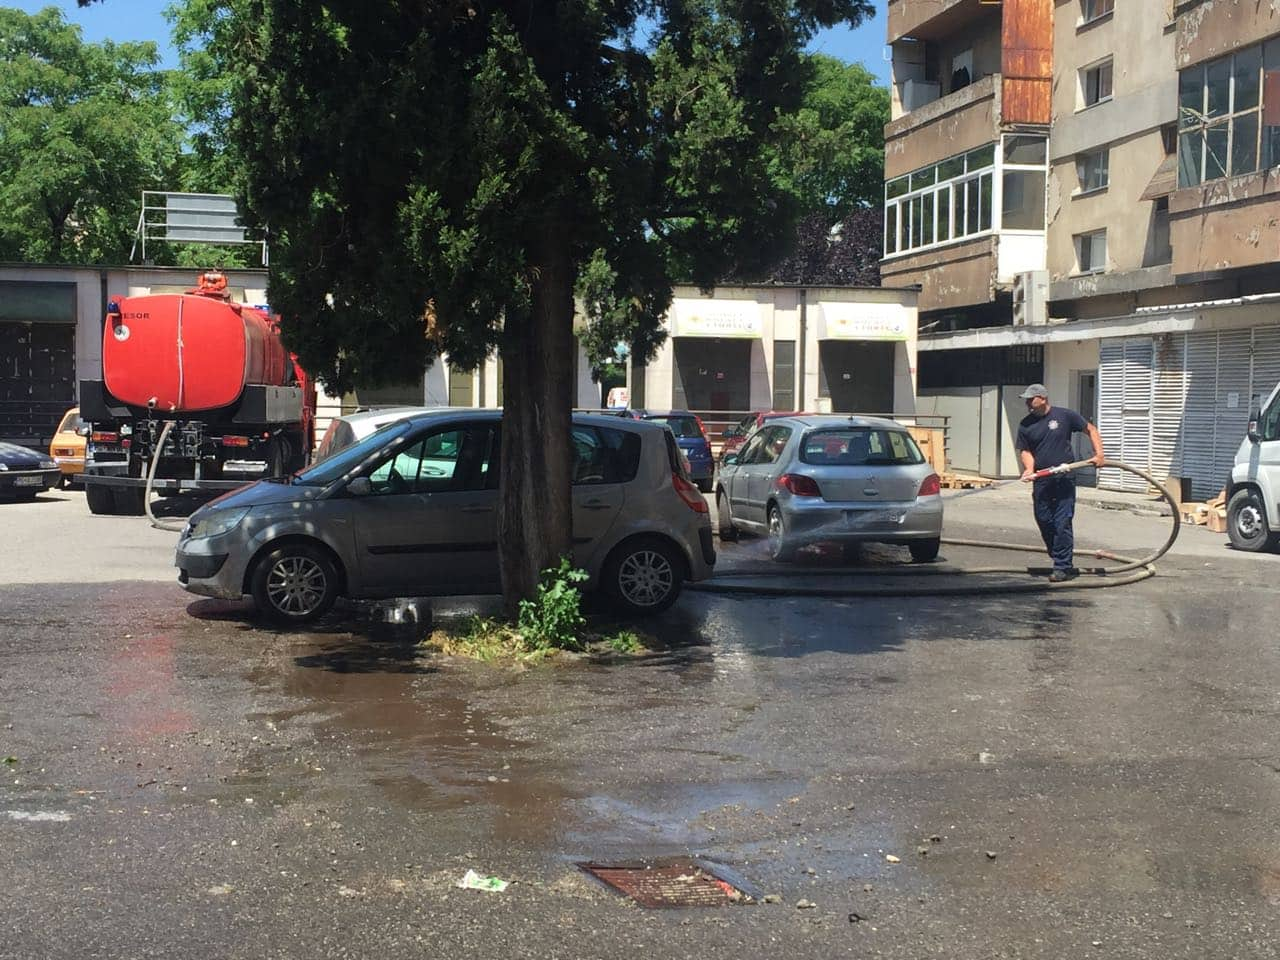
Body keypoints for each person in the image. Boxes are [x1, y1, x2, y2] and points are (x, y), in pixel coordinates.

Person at [1015, 384, 1105, 582]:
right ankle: (1058, 555)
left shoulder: (1064, 416)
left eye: (1031, 399)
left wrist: (1099, 454)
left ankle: (1062, 566)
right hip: (1042, 479)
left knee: (1062, 521)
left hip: (1064, 477)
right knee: (1044, 520)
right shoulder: (1025, 424)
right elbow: (1025, 450)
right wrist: (1029, 468)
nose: (1028, 403)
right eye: (1026, 400)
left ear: (1043, 398)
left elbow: (1090, 429)